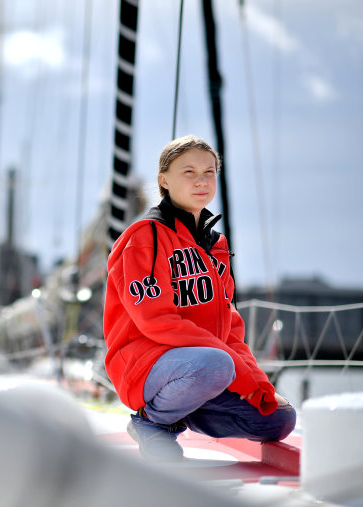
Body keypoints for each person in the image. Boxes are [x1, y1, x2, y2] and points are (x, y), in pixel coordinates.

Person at [102, 135, 296, 461]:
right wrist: (232, 367)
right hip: (146, 367)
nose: (201, 181)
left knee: (279, 418)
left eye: (209, 172)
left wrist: (258, 384)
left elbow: (230, 331)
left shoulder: (215, 245)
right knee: (217, 364)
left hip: (205, 371)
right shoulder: (143, 238)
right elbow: (156, 321)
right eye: (188, 172)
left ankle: (182, 409)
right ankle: (151, 422)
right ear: (164, 180)